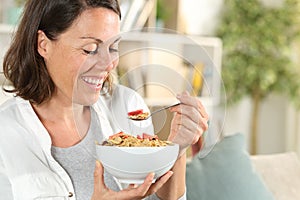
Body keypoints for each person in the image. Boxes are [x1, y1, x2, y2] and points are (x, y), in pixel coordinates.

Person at [0, 0, 209, 199]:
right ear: (43, 44)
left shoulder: (129, 107)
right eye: (90, 49)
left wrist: (176, 149)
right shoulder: (6, 134)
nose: (108, 63)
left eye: (113, 48)